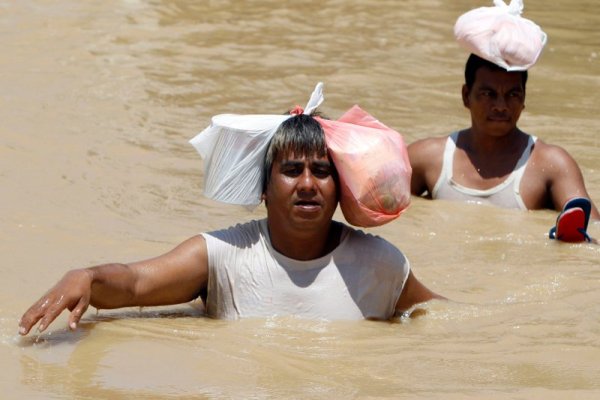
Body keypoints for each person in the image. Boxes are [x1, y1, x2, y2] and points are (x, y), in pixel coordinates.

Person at [18, 113, 443, 336]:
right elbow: (134, 284)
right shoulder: (222, 255)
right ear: (263, 188)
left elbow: (443, 321)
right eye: (292, 169)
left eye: (322, 171)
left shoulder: (380, 264)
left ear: (341, 187)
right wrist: (88, 277)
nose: (308, 184)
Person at [408, 53, 600, 221]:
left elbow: (591, 229)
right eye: (488, 94)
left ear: (524, 99)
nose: (501, 105)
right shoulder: (427, 158)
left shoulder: (551, 164)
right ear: (466, 96)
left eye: (512, 94)